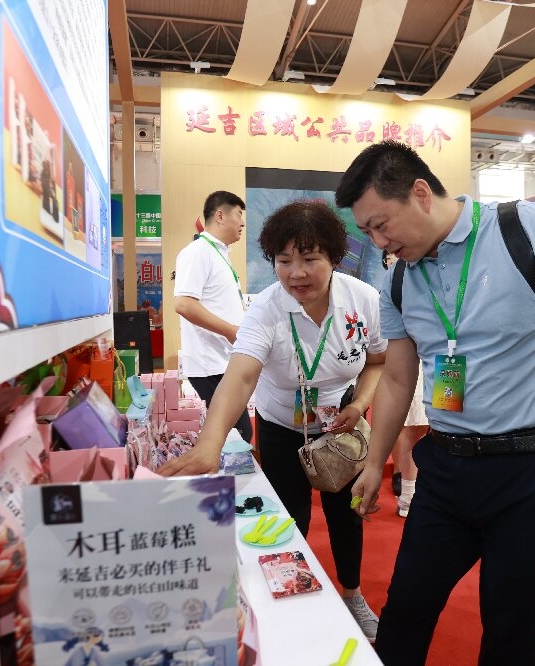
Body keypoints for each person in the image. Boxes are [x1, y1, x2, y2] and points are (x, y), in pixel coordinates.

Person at [335, 140, 535, 664]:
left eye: (381, 225)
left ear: (420, 193)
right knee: (404, 613)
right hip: (445, 470)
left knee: (512, 633)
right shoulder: (399, 275)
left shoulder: (527, 229)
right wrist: (374, 461)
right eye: (368, 232)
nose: (379, 241)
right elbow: (399, 377)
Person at [160, 201, 387, 640]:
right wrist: (209, 444)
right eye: (284, 261)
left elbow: (378, 361)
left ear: (334, 258)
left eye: (310, 259)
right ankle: (290, 602)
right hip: (282, 426)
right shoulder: (265, 309)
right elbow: (241, 375)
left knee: (346, 515)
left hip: (340, 426)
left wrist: (359, 404)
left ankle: (352, 594)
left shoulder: (363, 300)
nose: (296, 273)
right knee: (288, 517)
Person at [173, 191, 253, 442]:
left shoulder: (219, 253)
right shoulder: (198, 252)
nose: (242, 222)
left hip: (224, 361)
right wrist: (230, 331)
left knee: (234, 435)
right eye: (238, 215)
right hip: (210, 365)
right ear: (220, 216)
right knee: (237, 436)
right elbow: (183, 304)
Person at [381, 249, 425, 518]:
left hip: (447, 365)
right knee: (410, 427)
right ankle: (407, 492)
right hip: (411, 363)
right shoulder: (393, 285)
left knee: (434, 428)